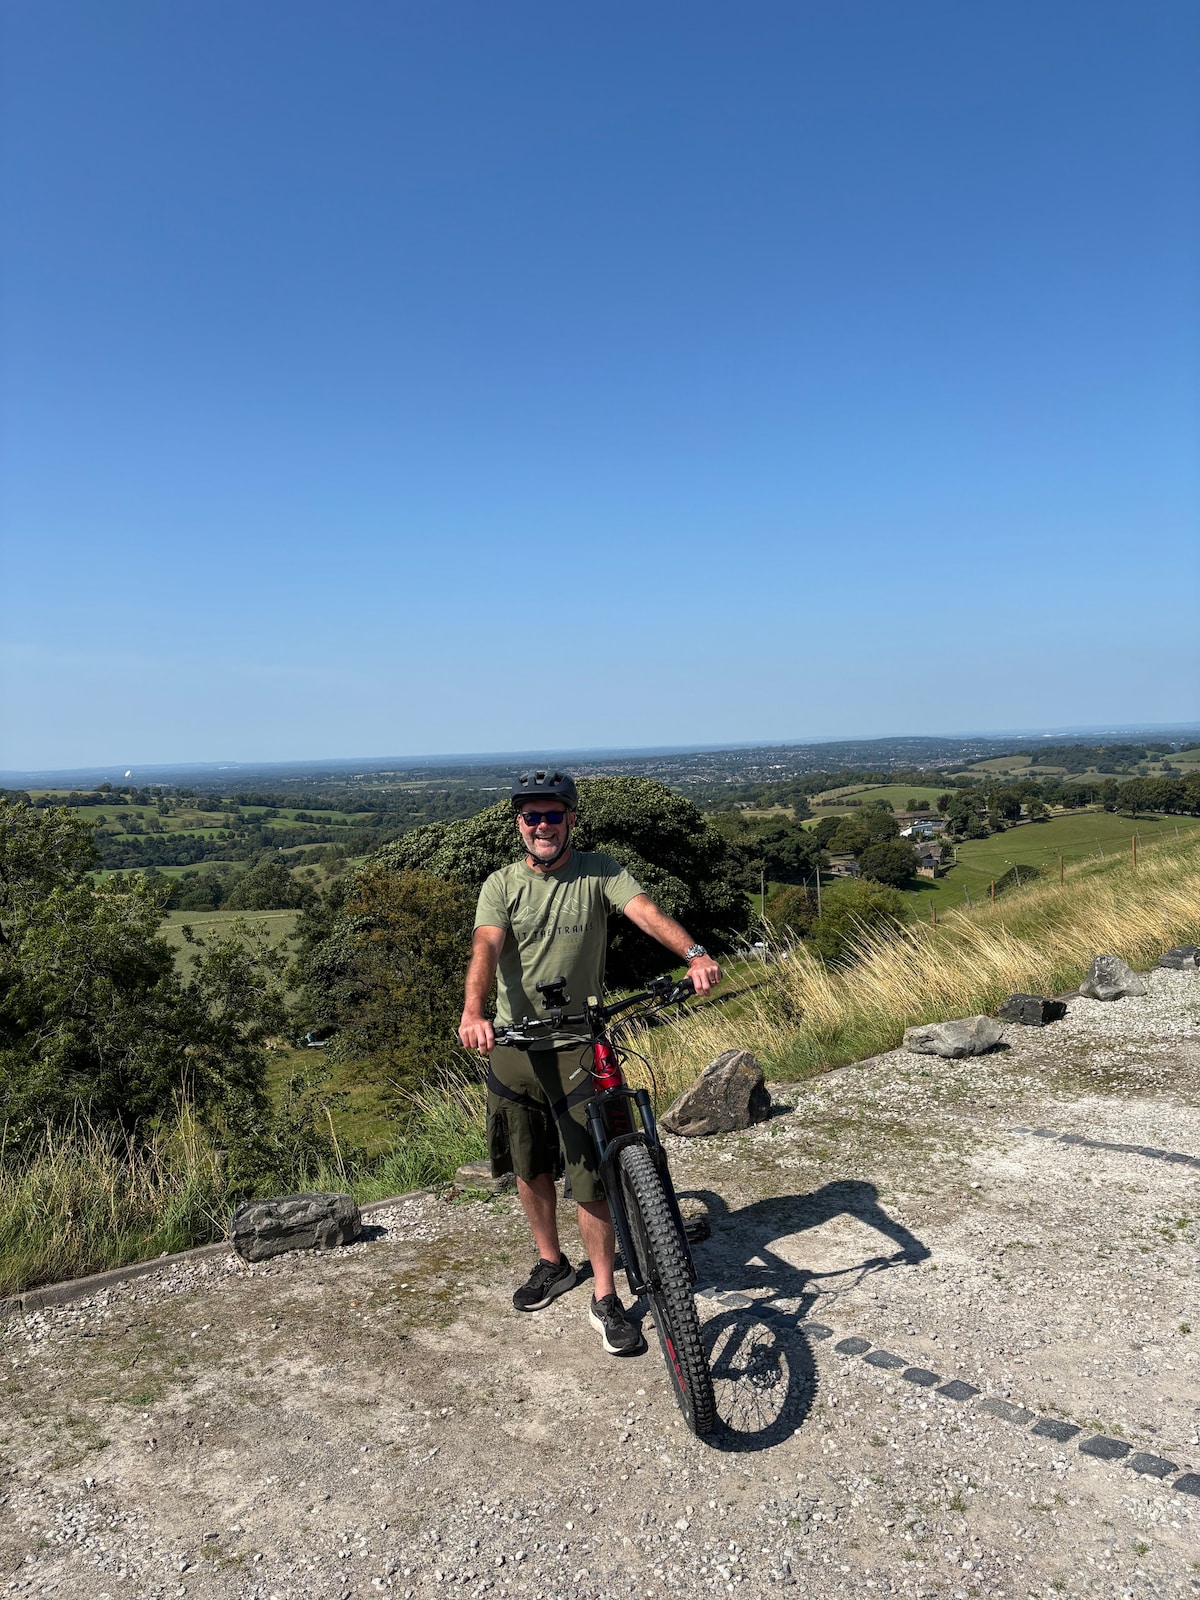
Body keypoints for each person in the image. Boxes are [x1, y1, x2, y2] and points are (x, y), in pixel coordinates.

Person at [458, 770, 722, 1356]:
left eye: (554, 815)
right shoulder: (501, 884)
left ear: (571, 819)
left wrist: (694, 953)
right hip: (512, 1045)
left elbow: (644, 910)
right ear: (518, 824)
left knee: (590, 1175)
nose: (542, 825)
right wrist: (474, 1011)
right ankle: (552, 1262)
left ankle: (604, 1295)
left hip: (579, 1042)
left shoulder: (600, 870)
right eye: (532, 816)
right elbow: (486, 946)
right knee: (529, 1167)